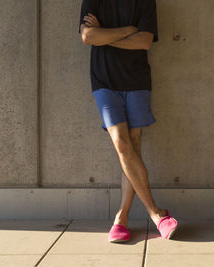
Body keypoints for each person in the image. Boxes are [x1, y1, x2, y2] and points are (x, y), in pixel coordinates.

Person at [78, 0, 177, 242]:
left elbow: (144, 42)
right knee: (122, 144)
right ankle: (156, 213)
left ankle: (121, 219)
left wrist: (106, 34)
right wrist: (127, 30)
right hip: (104, 82)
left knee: (133, 146)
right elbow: (88, 36)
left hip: (137, 82)